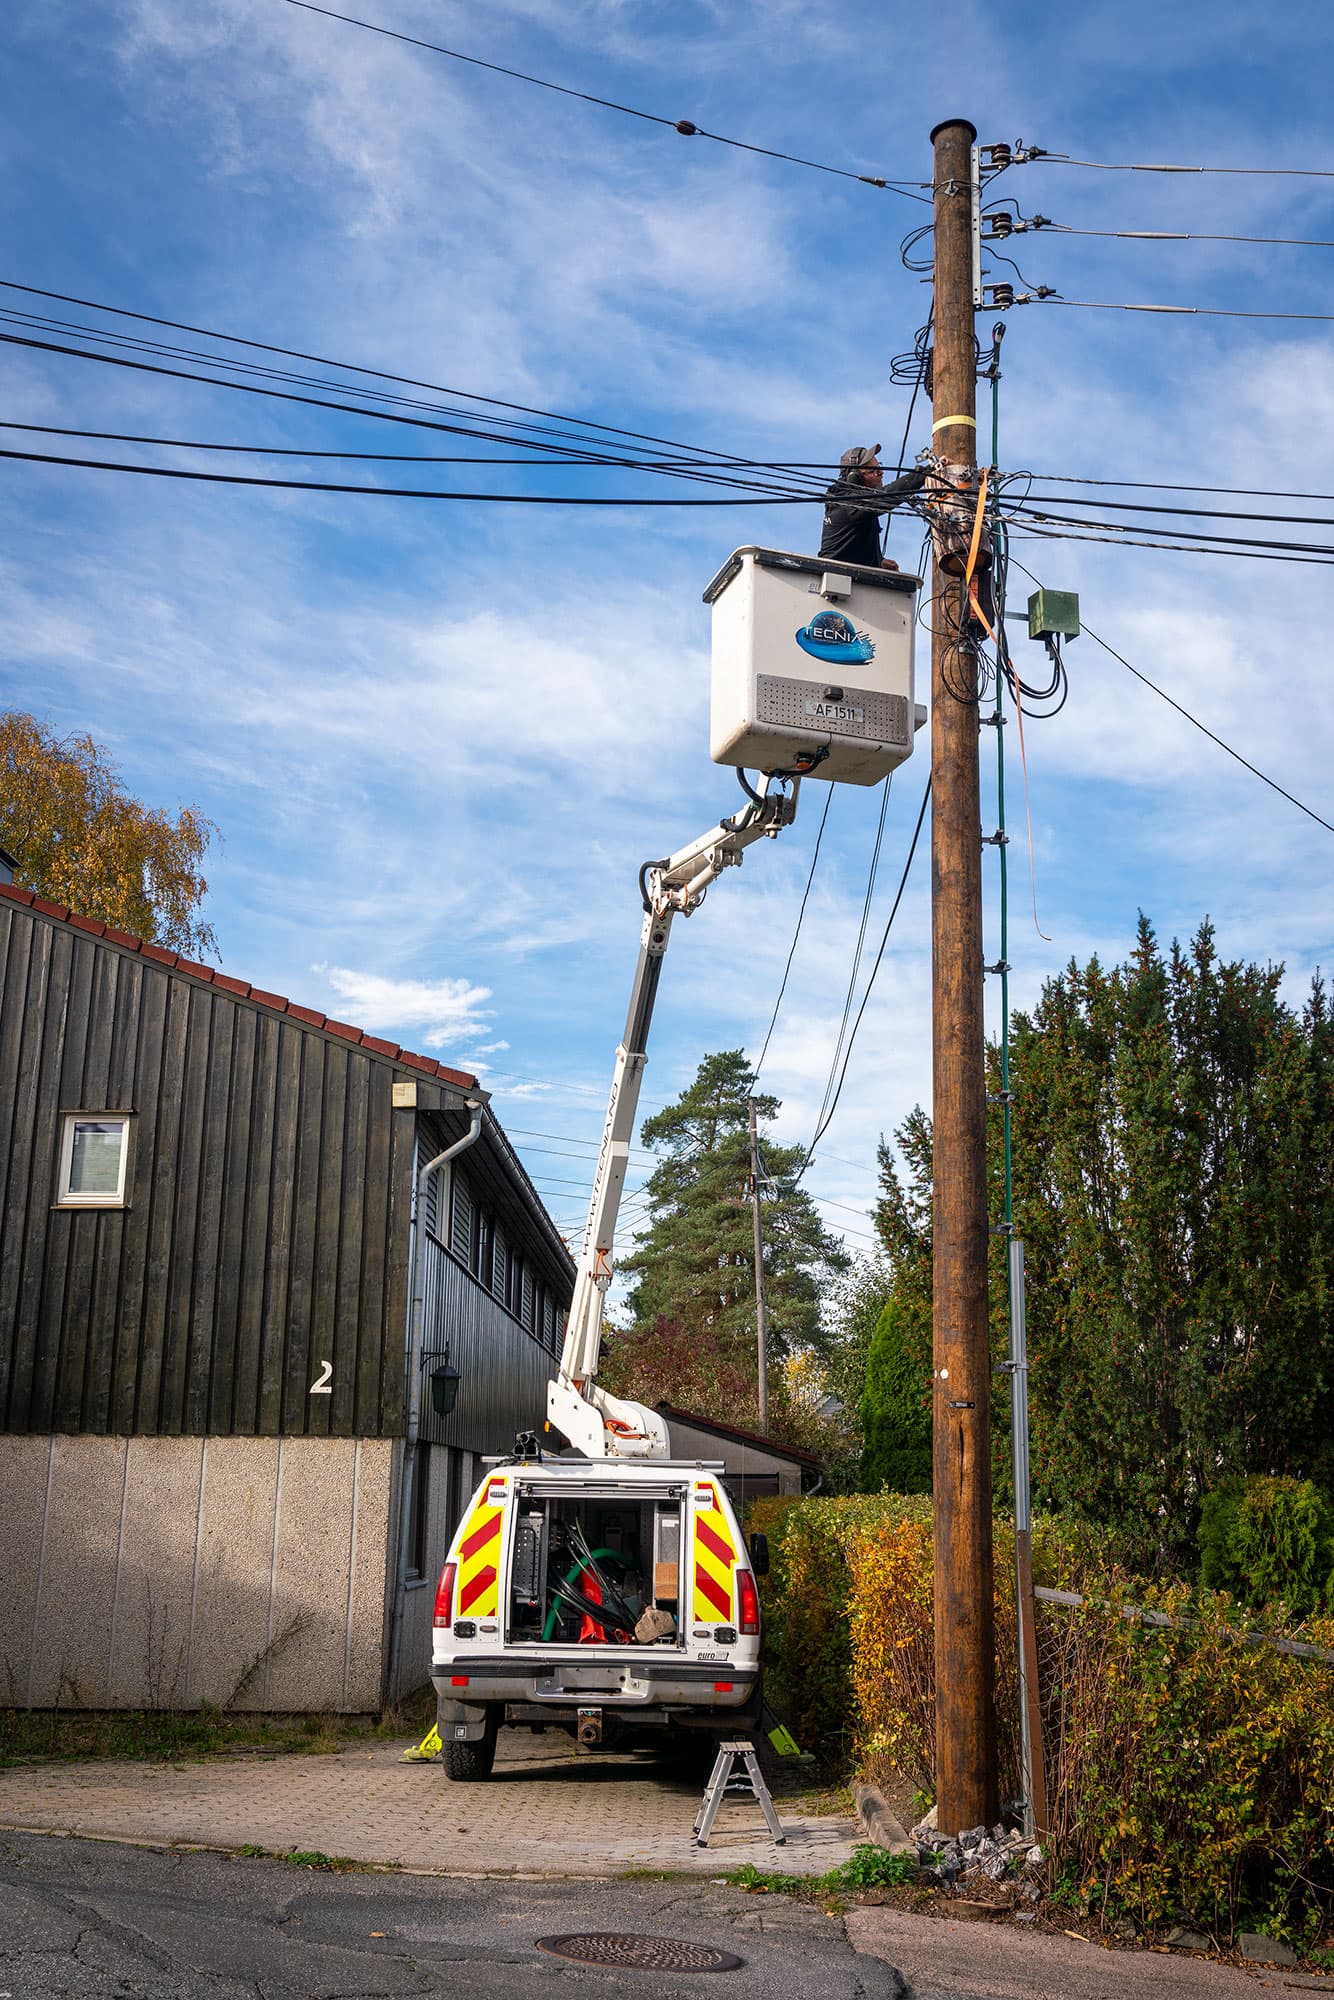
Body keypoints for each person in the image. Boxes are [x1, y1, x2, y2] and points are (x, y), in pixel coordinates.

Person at [819, 445, 927, 570]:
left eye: (879, 467)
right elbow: (884, 497)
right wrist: (923, 475)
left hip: (853, 578)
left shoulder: (860, 505)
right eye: (873, 470)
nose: (881, 472)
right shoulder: (847, 503)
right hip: (837, 576)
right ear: (855, 477)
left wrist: (879, 561)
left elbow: (854, 547)